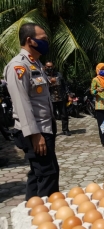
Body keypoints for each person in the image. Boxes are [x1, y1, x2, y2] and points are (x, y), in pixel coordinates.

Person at [3, 23, 59, 200]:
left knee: (39, 173)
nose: (46, 43)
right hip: (35, 131)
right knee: (48, 174)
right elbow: (21, 103)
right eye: (43, 39)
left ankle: (31, 213)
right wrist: (35, 135)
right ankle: (44, 218)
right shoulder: (18, 67)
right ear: (30, 41)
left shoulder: (35, 63)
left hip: (45, 127)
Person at [45, 61, 71, 136]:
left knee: (64, 114)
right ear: (45, 67)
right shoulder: (44, 76)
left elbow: (64, 85)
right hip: (50, 99)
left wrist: (68, 95)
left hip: (61, 97)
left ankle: (65, 130)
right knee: (51, 116)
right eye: (48, 67)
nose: (50, 68)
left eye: (51, 66)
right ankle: (53, 131)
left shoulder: (58, 74)